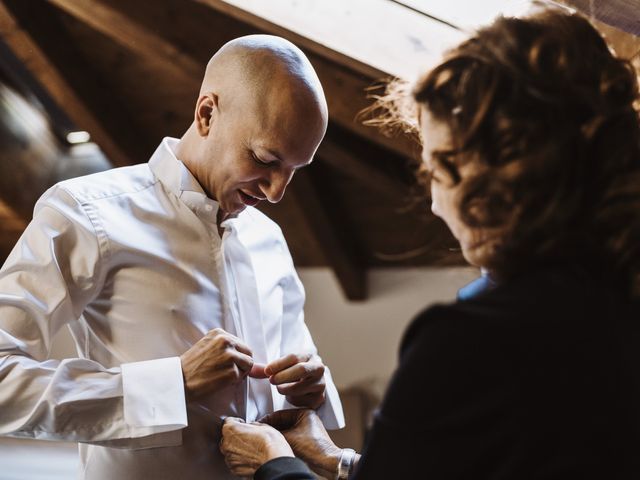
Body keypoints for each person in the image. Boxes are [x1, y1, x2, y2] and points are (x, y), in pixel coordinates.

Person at [219, 7, 640, 479]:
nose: (437, 205)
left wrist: (276, 467)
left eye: (437, 170)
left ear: (496, 181)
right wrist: (338, 461)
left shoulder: (472, 345)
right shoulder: (617, 295)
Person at [0, 35, 344, 479]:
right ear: (206, 114)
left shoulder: (269, 238)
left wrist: (311, 387)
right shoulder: (86, 212)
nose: (277, 193)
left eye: (294, 170)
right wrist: (171, 384)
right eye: (264, 158)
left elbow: (297, 382)